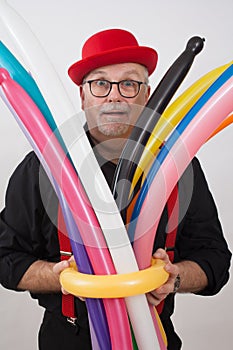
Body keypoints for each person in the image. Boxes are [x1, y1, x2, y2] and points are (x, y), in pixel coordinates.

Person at [0, 28, 231, 350]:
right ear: (83, 96)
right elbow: (5, 257)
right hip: (68, 339)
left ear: (146, 96)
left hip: (153, 337)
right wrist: (60, 276)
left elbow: (215, 260)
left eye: (129, 83)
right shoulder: (41, 166)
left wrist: (173, 275)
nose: (114, 95)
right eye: (100, 83)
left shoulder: (179, 165)